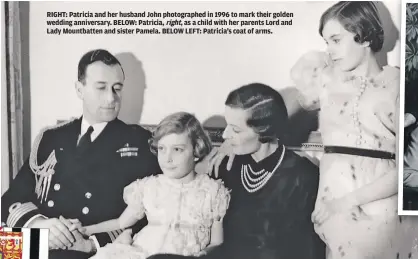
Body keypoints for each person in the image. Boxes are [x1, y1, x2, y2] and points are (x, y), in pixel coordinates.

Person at [1, 49, 161, 259]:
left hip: (94, 249)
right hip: (41, 239)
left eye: (117, 88)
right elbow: (11, 199)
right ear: (79, 89)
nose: (111, 98)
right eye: (101, 88)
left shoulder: (140, 143)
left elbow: (153, 213)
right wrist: (39, 225)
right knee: (5, 246)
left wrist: (91, 244)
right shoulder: (51, 137)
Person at [288, 2, 418, 258]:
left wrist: (345, 203)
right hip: (333, 202)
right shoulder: (324, 80)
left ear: (365, 35)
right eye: (326, 42)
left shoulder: (398, 85)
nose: (330, 50)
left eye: (336, 40)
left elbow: (402, 171)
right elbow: (275, 117)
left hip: (380, 207)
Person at [150, 83, 326, 259]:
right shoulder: (226, 165)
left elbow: (309, 249)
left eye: (235, 129)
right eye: (228, 125)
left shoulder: (302, 176)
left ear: (264, 131)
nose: (225, 135)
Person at [74, 112, 230, 259]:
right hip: (142, 253)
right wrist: (86, 229)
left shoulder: (212, 192)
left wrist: (203, 254)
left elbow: (217, 242)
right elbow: (121, 222)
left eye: (177, 149)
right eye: (162, 149)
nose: (167, 158)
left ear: (196, 151)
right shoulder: (149, 187)